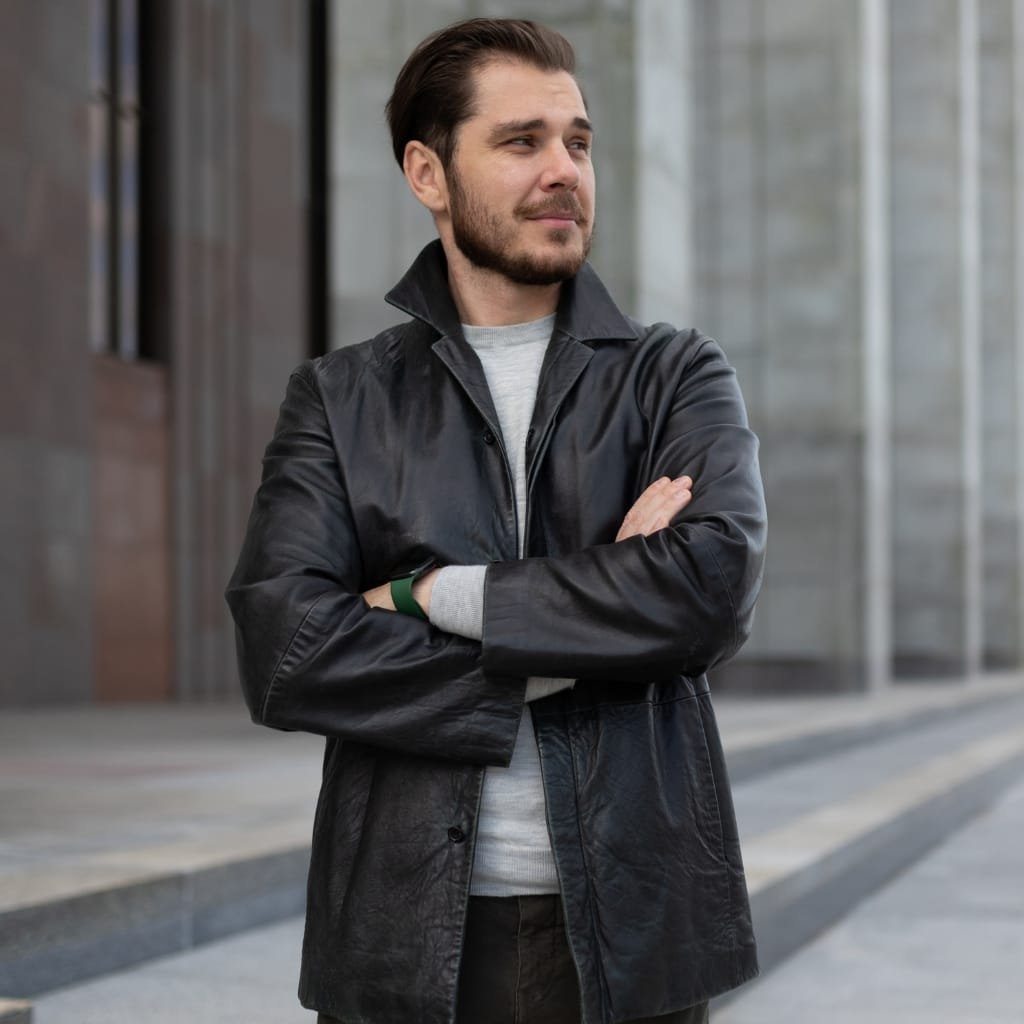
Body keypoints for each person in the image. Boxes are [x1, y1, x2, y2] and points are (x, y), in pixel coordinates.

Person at [226, 17, 766, 1024]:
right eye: (522, 141)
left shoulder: (673, 375)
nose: (563, 168)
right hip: (403, 930)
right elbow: (286, 644)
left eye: (578, 140)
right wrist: (595, 616)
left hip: (631, 929)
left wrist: (426, 596)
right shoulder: (343, 398)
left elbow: (706, 589)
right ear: (428, 173)